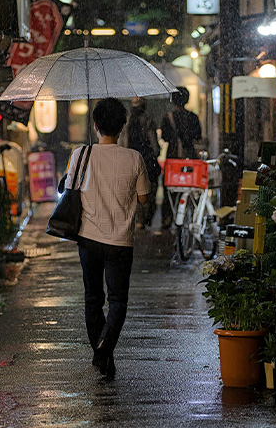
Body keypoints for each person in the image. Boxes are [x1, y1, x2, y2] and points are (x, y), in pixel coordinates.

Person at [64, 98, 150, 377]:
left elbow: (68, 187)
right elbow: (144, 198)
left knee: (92, 299)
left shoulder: (80, 155)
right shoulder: (134, 157)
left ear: (95, 125)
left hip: (88, 238)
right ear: (123, 126)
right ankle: (104, 349)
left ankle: (103, 355)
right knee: (117, 301)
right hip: (120, 242)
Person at [159, 86, 202, 227]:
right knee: (188, 186)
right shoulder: (193, 117)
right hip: (189, 159)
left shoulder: (168, 117)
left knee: (170, 188)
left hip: (173, 158)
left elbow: (164, 137)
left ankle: (168, 218)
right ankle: (188, 215)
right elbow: (198, 136)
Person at [124, 97, 160, 227]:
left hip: (130, 162)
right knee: (149, 192)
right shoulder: (148, 122)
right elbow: (155, 146)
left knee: (133, 191)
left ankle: (138, 219)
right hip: (147, 163)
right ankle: (144, 218)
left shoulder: (126, 122)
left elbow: (123, 143)